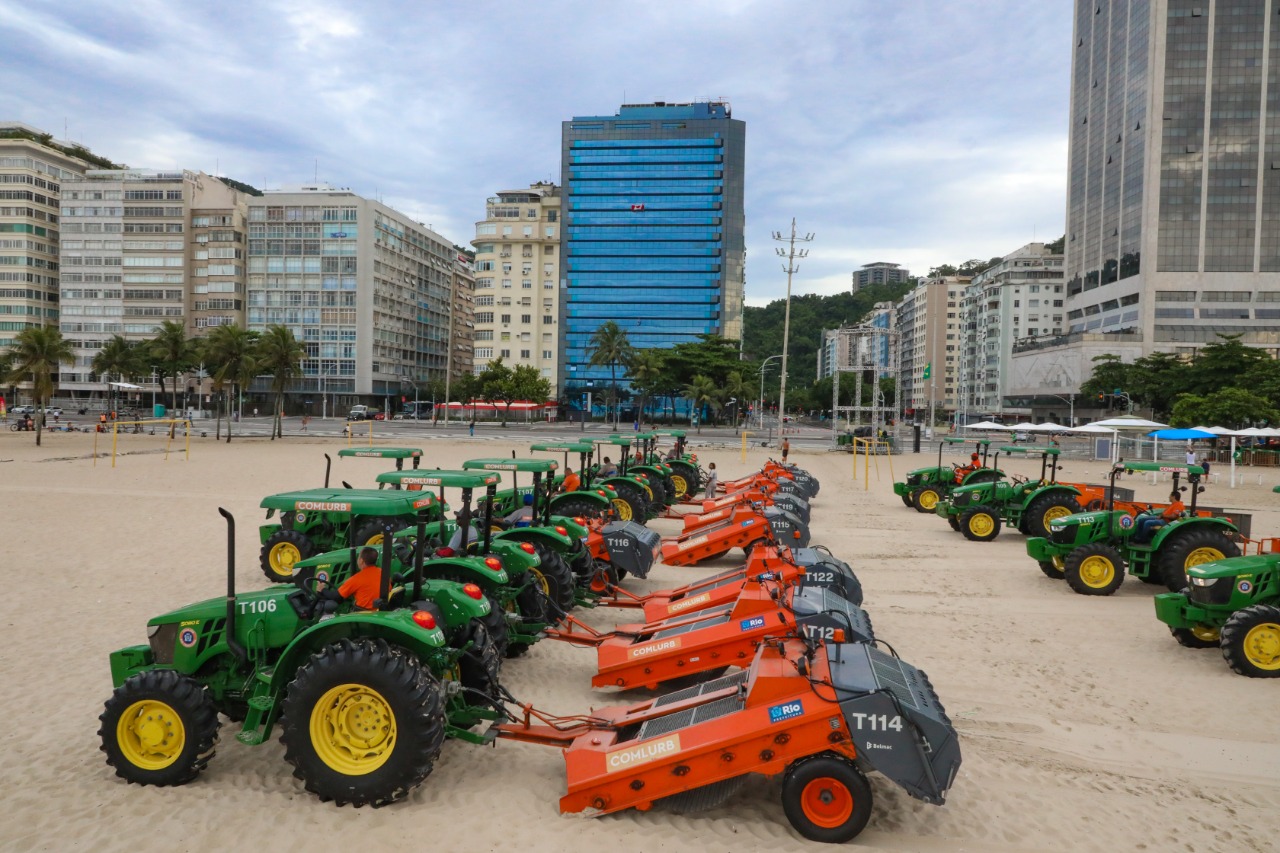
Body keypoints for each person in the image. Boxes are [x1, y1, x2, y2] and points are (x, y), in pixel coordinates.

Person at [319, 546, 382, 611]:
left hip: (362, 613)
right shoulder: (382, 572)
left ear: (361, 561)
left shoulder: (357, 578)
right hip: (379, 610)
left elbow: (336, 597)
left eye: (359, 557)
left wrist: (322, 589)